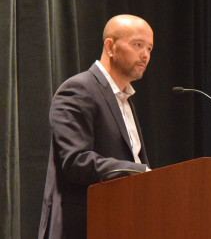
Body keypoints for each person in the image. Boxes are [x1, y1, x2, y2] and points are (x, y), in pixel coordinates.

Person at [38, 14, 154, 239]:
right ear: (110, 47)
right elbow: (75, 161)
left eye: (149, 48)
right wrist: (139, 173)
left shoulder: (125, 99)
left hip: (122, 223)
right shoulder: (78, 90)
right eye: (138, 45)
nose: (145, 55)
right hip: (83, 227)